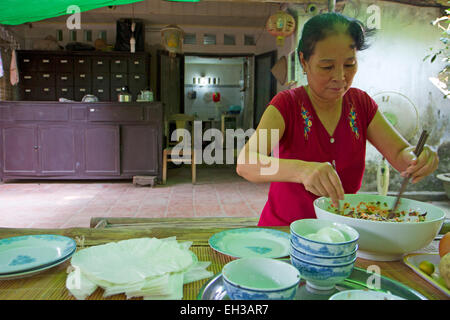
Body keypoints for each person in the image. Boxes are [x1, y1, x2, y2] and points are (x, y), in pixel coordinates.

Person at [236, 12, 439, 226]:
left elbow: (400, 155)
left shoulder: (361, 105)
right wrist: (302, 170)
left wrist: (418, 157)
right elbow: (246, 163)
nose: (341, 76)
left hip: (341, 235)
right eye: (327, 67)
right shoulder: (287, 105)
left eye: (350, 65)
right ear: (304, 61)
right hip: (285, 234)